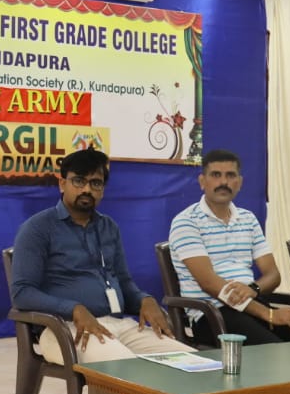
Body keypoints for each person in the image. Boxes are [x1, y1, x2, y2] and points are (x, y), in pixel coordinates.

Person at [10, 148, 193, 363]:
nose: (87, 189)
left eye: (95, 183)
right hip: (63, 328)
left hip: (119, 325)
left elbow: (124, 283)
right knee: (126, 369)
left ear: (103, 190)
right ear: (62, 184)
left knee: (192, 362)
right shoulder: (37, 228)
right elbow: (22, 293)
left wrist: (145, 300)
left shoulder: (108, 227)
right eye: (79, 181)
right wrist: (74, 309)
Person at [168, 149, 290, 345]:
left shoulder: (248, 219)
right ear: (202, 181)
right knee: (277, 352)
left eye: (230, 175)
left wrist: (254, 289)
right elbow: (210, 284)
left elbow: (273, 275)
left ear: (240, 182)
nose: (223, 182)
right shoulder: (186, 222)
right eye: (216, 175)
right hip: (212, 314)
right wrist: (269, 314)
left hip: (252, 306)